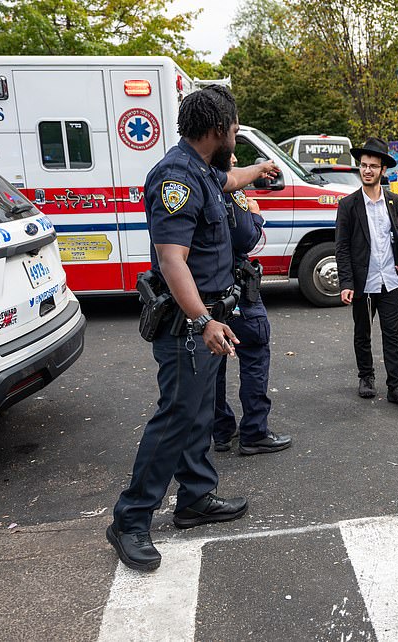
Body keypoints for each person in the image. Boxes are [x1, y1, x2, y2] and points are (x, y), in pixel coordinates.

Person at [108, 86, 280, 572]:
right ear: (216, 130)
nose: (236, 135)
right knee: (177, 418)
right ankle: (131, 518)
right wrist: (203, 320)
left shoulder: (201, 169)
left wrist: (258, 171)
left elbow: (226, 181)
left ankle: (195, 500)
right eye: (235, 128)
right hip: (190, 322)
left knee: (199, 413)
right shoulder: (175, 177)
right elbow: (171, 260)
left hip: (208, 316)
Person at [212, 155, 292, 456]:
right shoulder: (232, 190)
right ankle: (254, 433)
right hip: (238, 292)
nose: (235, 158)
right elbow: (246, 237)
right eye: (231, 153)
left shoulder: (196, 181)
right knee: (255, 356)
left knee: (213, 365)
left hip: (206, 294)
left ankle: (221, 431)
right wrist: (256, 215)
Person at [335, 137, 398, 405]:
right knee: (363, 332)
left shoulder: (393, 201)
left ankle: (396, 386)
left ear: (383, 170)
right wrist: (346, 282)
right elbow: (342, 247)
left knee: (392, 334)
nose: (367, 170)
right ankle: (366, 377)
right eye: (363, 165)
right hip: (363, 281)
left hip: (390, 279)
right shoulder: (348, 205)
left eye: (373, 166)